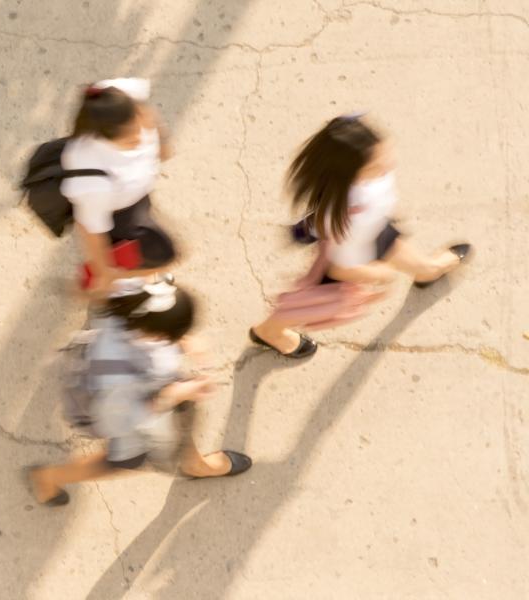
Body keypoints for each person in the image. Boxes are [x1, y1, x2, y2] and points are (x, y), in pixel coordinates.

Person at [250, 114, 472, 358]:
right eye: (377, 166)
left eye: (385, 153)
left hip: (372, 229)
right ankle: (269, 331)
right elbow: (339, 268)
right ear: (351, 174)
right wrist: (380, 273)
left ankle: (426, 269)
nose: (389, 163)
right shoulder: (349, 217)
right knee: (304, 304)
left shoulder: (360, 179)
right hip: (353, 248)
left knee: (387, 239)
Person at [27, 281, 252, 506]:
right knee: (120, 461)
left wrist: (183, 343)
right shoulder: (116, 374)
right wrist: (174, 393)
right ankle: (47, 478)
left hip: (114, 381)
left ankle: (193, 463)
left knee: (177, 423)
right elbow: (124, 419)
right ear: (157, 333)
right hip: (116, 407)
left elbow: (114, 287)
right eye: (171, 336)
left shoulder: (132, 301)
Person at [62, 78, 178, 296]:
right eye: (128, 137)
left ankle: (135, 279)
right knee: (164, 256)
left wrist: (161, 140)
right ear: (104, 137)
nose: (138, 137)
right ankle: (119, 286)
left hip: (136, 199)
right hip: (119, 217)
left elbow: (143, 101)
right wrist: (104, 272)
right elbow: (90, 229)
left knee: (154, 255)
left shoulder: (117, 96)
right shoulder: (92, 182)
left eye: (136, 123)